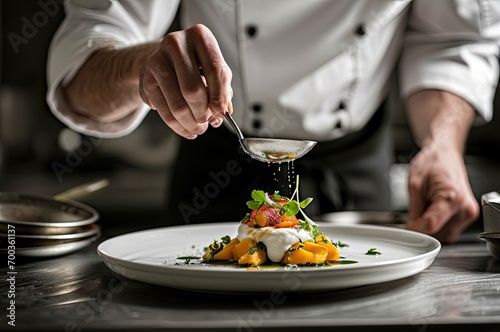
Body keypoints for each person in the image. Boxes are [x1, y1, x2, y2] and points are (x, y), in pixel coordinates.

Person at [46, 0, 500, 243]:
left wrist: (441, 144)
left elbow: (451, 41)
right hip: (216, 163)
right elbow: (84, 61)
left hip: (357, 169)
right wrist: (139, 66)